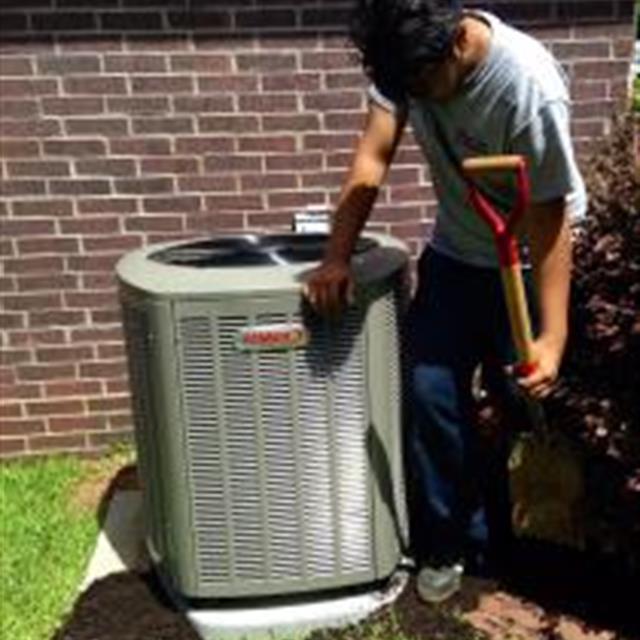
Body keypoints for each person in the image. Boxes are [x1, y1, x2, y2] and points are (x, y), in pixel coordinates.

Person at [303, 0, 587, 604]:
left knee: (520, 401)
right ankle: (445, 544)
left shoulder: (528, 88)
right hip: (457, 253)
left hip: (533, 256)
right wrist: (336, 256)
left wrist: (552, 338)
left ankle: (518, 547)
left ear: (459, 43)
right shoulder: (408, 60)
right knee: (431, 396)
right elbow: (372, 158)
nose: (418, 100)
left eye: (424, 85)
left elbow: (551, 217)